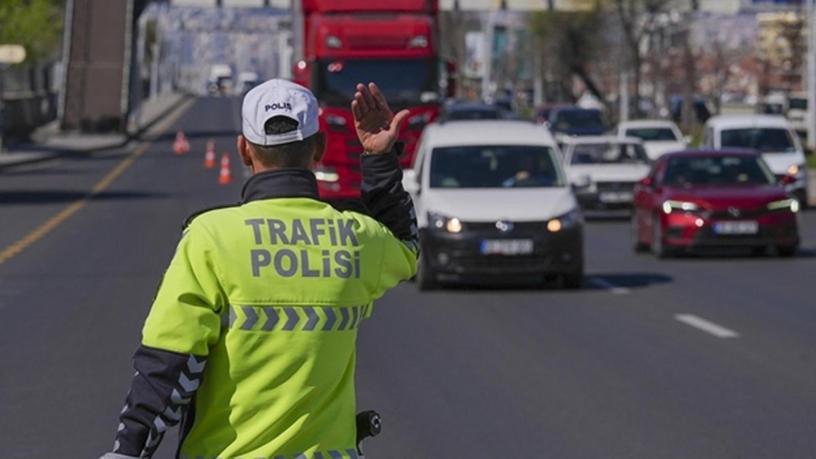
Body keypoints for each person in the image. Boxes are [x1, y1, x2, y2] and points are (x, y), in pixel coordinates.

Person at [101, 79, 418, 458]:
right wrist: (380, 159)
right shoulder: (356, 237)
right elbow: (407, 246)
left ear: (243, 150)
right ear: (320, 148)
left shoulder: (211, 238)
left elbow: (168, 364)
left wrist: (128, 450)